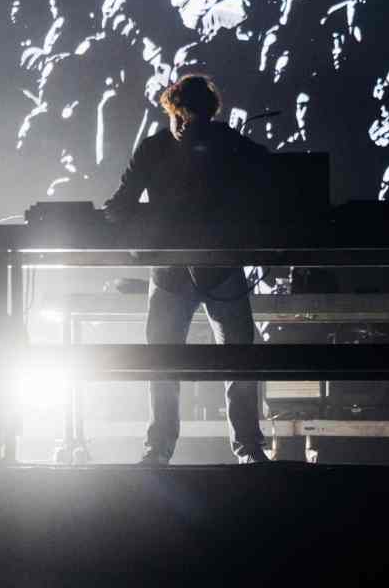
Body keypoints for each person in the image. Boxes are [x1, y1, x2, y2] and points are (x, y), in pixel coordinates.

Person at [103, 74, 271, 464]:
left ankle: (167, 448)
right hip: (198, 270)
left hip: (194, 270)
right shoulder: (215, 143)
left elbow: (122, 201)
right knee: (200, 360)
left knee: (215, 360)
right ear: (173, 112)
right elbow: (123, 199)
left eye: (195, 119)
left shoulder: (175, 146)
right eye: (183, 117)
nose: (188, 126)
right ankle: (235, 447)